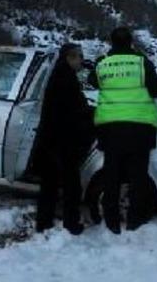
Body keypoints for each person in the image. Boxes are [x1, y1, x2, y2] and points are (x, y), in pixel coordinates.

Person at [89, 27, 157, 234]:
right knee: (138, 175)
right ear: (131, 42)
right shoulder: (142, 63)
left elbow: (91, 81)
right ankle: (134, 219)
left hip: (110, 127)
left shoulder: (102, 63)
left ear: (111, 42)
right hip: (140, 128)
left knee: (111, 174)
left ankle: (112, 221)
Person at [34, 43, 94, 235]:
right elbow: (75, 110)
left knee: (49, 183)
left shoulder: (59, 75)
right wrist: (92, 115)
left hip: (50, 139)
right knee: (71, 184)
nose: (81, 60)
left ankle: (43, 222)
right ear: (69, 58)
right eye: (78, 57)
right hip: (64, 141)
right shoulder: (66, 79)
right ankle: (71, 223)